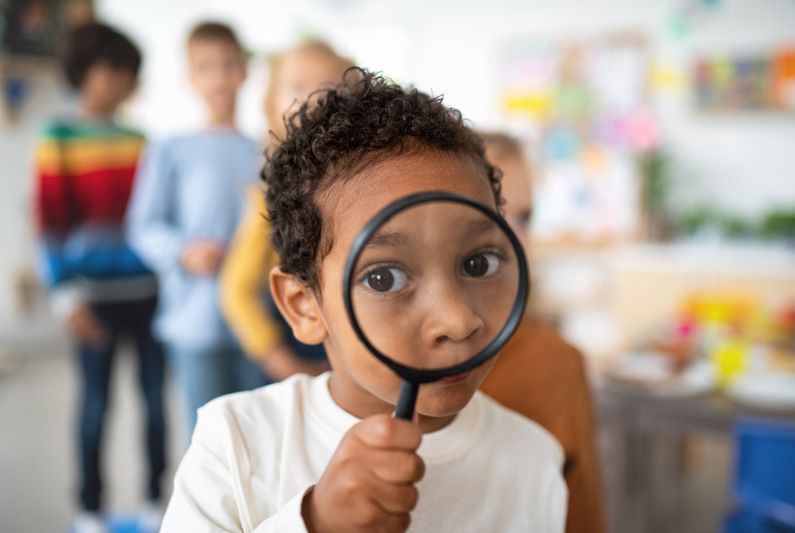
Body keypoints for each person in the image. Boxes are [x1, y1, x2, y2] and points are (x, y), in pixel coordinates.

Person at [161, 68, 567, 532]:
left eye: (477, 264)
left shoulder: (535, 460)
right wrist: (314, 523)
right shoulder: (237, 443)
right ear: (303, 306)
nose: (457, 320)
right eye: (384, 276)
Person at [33, 22, 165, 533]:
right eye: (116, 71)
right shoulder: (57, 137)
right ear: (88, 72)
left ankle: (156, 500)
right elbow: (48, 223)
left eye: (129, 74)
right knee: (94, 407)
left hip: (149, 295)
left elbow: (152, 221)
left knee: (155, 405)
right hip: (92, 299)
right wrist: (65, 297)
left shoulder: (140, 139)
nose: (123, 82)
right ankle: (90, 510)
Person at [126, 22, 265, 436]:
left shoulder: (264, 150)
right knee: (207, 438)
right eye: (205, 67)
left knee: (260, 434)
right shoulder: (171, 148)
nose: (219, 77)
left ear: (244, 71)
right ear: (191, 78)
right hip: (196, 320)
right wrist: (183, 251)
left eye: (228, 65)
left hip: (258, 321)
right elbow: (143, 226)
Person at [477, 132, 606, 533]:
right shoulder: (390, 364)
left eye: (526, 218)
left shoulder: (558, 362)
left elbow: (581, 510)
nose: (517, 239)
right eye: (493, 215)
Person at [220, 40, 352, 380]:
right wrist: (276, 357)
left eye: (331, 85)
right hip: (299, 355)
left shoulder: (361, 184)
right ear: (270, 105)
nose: (317, 97)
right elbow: (237, 289)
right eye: (297, 86)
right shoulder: (270, 197)